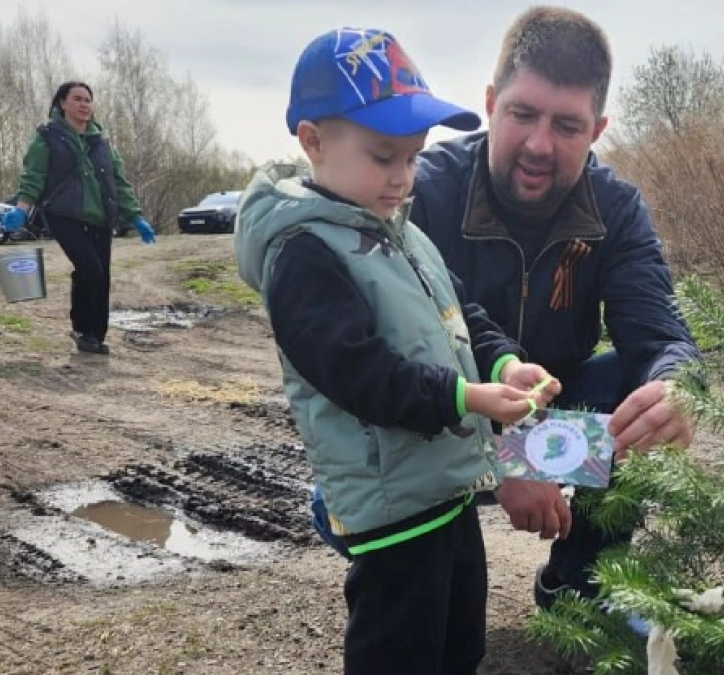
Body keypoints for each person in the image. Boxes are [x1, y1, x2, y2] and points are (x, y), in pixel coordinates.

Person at [311, 6, 703, 617]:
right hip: (439, 418)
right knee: (331, 503)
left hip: (552, 419)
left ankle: (578, 587)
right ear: (492, 103)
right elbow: (377, 366)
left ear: (597, 130)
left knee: (643, 390)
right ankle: (423, 586)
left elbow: (661, 336)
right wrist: (502, 454)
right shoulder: (417, 192)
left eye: (567, 126)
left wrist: (678, 385)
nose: (540, 145)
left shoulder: (617, 209)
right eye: (523, 114)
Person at [233, 27, 562, 674]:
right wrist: (465, 396)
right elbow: (357, 373)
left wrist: (504, 363)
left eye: (413, 158)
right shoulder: (304, 253)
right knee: (399, 653)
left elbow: (463, 316)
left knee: (460, 646)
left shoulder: (402, 234)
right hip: (392, 510)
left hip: (448, 490)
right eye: (384, 157)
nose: (402, 178)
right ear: (313, 141)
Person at [0, 81, 157, 355]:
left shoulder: (102, 143)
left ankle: (95, 335)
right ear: (62, 103)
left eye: (87, 99)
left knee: (101, 276)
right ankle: (83, 330)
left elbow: (119, 183)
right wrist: (21, 210)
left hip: (101, 218)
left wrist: (135, 217)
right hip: (64, 215)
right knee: (90, 269)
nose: (84, 104)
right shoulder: (47, 138)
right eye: (77, 99)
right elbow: (33, 177)